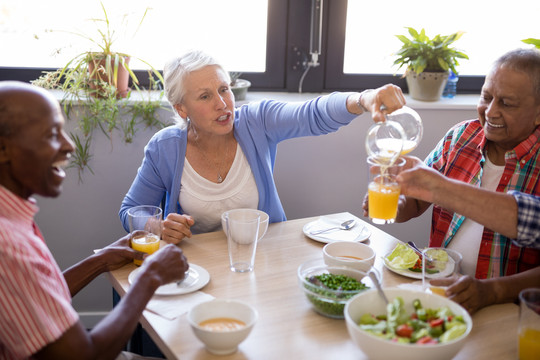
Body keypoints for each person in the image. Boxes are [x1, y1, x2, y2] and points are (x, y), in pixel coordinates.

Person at [119, 50, 407, 244]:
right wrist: (158, 227)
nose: (222, 104)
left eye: (224, 89)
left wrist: (364, 98)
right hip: (198, 270)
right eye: (205, 96)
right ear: (182, 109)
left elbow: (312, 114)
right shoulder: (164, 148)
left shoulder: (256, 121)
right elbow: (131, 210)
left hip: (263, 257)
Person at [0, 81, 189, 360]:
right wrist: (151, 277)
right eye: (52, 134)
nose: (69, 146)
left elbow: (35, 295)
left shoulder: (10, 217)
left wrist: (100, 260)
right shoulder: (9, 244)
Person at [379, 48, 540, 282]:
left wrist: (491, 293)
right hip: (440, 286)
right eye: (486, 97)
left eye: (507, 104)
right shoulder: (461, 137)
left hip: (509, 308)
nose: (491, 111)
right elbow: (416, 200)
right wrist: (393, 203)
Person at [396, 156, 540, 314]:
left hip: (510, 314)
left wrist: (493, 291)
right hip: (440, 296)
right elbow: (417, 196)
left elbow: (529, 218)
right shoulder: (460, 136)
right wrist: (398, 204)